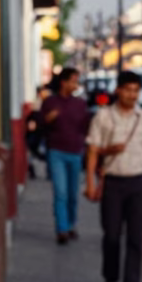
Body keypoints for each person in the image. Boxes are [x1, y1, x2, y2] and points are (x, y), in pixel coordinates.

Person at [85, 71, 142, 282]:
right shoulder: (103, 117)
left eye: (136, 91)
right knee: (111, 234)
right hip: (112, 181)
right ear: (118, 90)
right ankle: (110, 277)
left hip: (139, 181)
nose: (132, 95)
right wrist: (91, 183)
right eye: (128, 90)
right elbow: (92, 151)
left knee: (135, 236)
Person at [40, 67, 90, 244]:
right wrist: (48, 119)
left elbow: (86, 128)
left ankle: (70, 224)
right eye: (73, 81)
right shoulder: (50, 103)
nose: (75, 85)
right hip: (56, 151)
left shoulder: (80, 104)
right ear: (64, 82)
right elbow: (40, 126)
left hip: (75, 151)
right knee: (60, 192)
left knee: (72, 193)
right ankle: (62, 229)